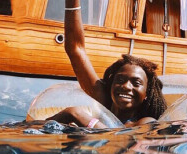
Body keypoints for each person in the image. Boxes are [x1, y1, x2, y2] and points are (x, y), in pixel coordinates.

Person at [47, 0, 167, 128]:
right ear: (111, 85)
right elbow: (75, 50)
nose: (126, 86)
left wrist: (75, 114)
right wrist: (72, 4)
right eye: (120, 80)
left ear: (146, 94)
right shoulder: (104, 101)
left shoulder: (146, 122)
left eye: (136, 83)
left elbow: (117, 143)